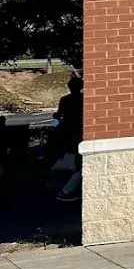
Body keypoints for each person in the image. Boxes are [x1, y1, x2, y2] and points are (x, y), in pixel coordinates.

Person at [52, 72, 83, 202]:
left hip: (68, 131)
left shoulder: (65, 100)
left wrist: (57, 119)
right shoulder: (83, 98)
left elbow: (58, 115)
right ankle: (71, 182)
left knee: (69, 153)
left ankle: (67, 180)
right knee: (79, 156)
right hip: (80, 130)